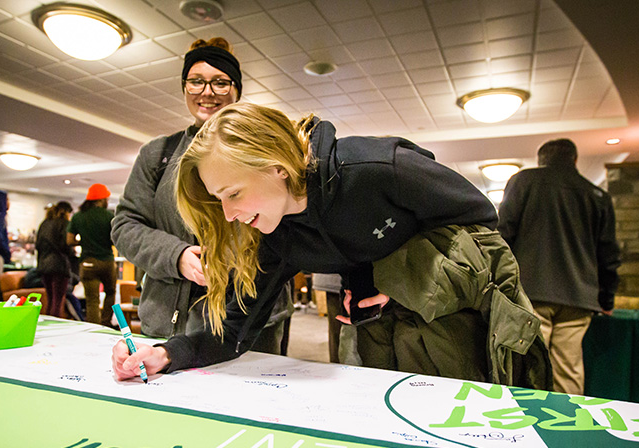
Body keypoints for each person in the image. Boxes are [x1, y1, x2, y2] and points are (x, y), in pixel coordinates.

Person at [112, 103, 550, 388]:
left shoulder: (377, 169)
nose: (228, 215)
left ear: (277, 167)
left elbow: (481, 222)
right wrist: (166, 353)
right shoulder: (276, 235)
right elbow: (234, 330)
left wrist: (398, 278)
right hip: (372, 332)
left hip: (454, 326)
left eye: (234, 194)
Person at [111, 37, 291, 351]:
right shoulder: (158, 155)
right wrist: (175, 255)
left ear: (237, 89)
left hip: (250, 321)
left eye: (220, 82)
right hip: (168, 320)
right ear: (184, 88)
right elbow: (125, 226)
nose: (207, 92)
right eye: (196, 82)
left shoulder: (265, 145)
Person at [497, 138, 621, 395]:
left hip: (531, 293)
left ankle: (520, 426)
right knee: (569, 368)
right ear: (574, 160)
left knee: (526, 364)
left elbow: (502, 236)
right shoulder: (597, 194)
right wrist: (606, 299)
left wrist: (500, 284)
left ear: (541, 160)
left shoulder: (523, 181)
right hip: (579, 298)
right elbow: (608, 253)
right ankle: (567, 425)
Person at [68, 183, 116, 327]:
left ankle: (94, 328)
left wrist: (84, 243)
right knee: (111, 292)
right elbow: (116, 239)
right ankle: (106, 323)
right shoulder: (109, 216)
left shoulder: (78, 217)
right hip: (107, 261)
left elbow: (69, 240)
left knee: (92, 300)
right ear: (101, 199)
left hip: (87, 262)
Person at [35, 201, 75, 317]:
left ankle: (48, 325)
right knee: (58, 301)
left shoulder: (44, 223)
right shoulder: (64, 223)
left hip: (44, 265)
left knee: (50, 298)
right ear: (67, 212)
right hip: (59, 265)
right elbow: (66, 246)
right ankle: (55, 326)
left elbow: (38, 245)